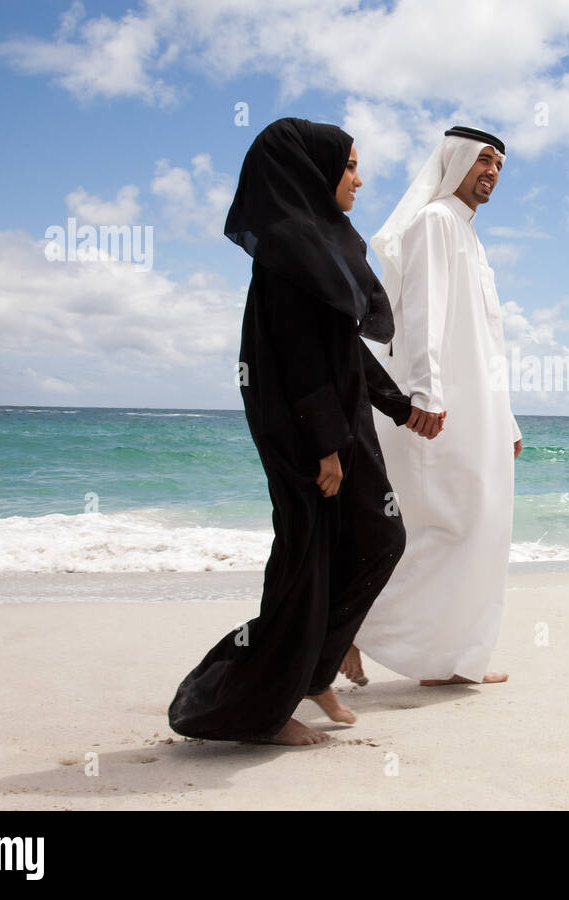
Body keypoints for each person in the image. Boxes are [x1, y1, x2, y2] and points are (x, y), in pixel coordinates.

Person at [168, 118, 444, 745]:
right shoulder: (289, 247)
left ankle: (315, 671)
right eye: (349, 166)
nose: (359, 178)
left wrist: (401, 409)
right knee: (305, 564)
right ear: (313, 172)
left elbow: (340, 349)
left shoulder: (326, 239)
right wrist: (324, 444)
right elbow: (296, 352)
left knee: (381, 537)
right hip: (307, 434)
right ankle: (259, 711)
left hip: (343, 427)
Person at [342, 126, 522, 687]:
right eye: (482, 161)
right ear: (456, 163)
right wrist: (424, 393)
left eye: (498, 164)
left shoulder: (469, 235)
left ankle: (449, 659)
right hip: (441, 409)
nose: (491, 172)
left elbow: (487, 339)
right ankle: (351, 631)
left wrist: (507, 418)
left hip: (479, 410)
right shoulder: (435, 222)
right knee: (443, 526)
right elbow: (421, 313)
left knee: (480, 526)